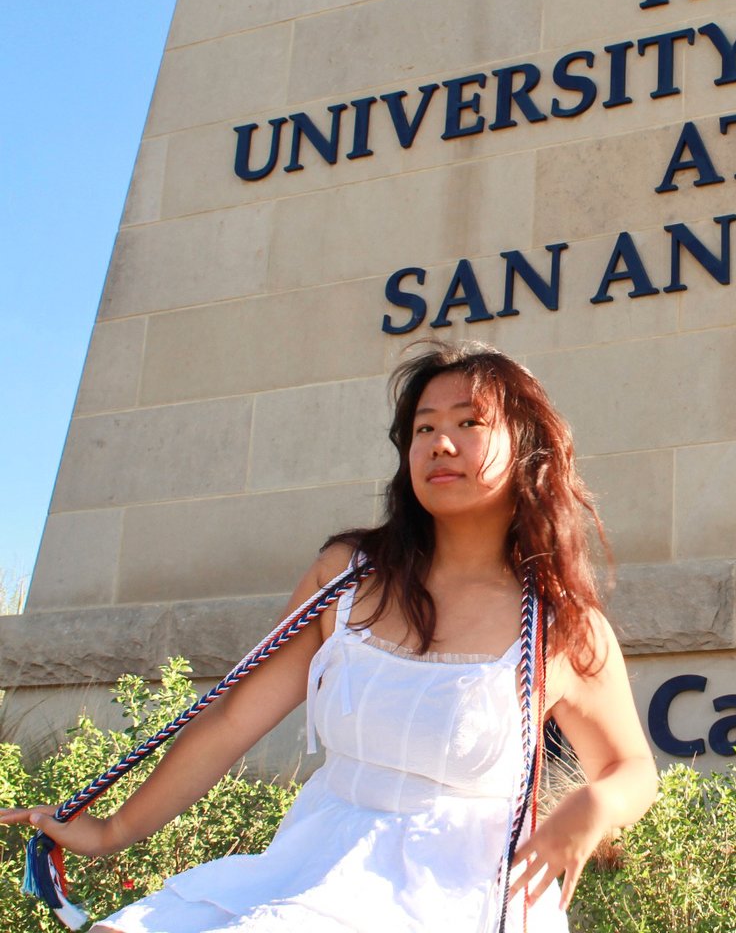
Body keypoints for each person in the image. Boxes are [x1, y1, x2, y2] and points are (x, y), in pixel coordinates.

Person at [2, 340, 658, 931]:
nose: (441, 443)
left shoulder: (559, 624)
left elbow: (631, 768)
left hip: (458, 893)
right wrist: (114, 829)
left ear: (528, 449)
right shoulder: (346, 578)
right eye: (424, 428)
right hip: (316, 859)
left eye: (469, 423)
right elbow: (233, 719)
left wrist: (592, 808)